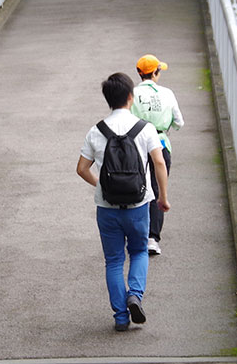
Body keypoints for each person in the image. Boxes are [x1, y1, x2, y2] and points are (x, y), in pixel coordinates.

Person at [76, 72, 170, 332]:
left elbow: (82, 168)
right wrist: (163, 197)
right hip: (139, 205)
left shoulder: (96, 131)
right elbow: (159, 163)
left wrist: (102, 186)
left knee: (114, 261)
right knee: (139, 251)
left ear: (108, 99)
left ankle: (120, 317)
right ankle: (135, 296)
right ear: (130, 97)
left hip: (107, 209)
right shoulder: (145, 128)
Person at [131, 55, 184, 257]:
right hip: (160, 143)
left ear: (139, 73)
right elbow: (179, 122)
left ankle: (136, 234)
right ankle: (153, 237)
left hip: (136, 144)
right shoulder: (167, 93)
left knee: (137, 187)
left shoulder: (132, 94)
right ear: (155, 73)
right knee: (157, 188)